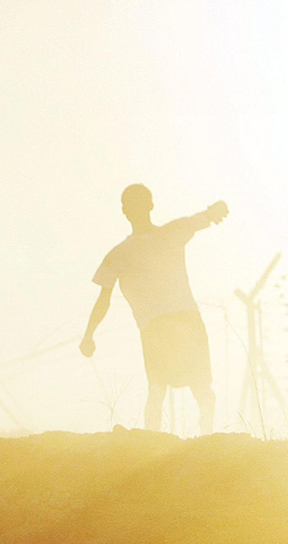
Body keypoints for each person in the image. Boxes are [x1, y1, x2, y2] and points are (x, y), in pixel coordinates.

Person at [80, 185, 229, 434]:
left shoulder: (118, 254)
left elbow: (103, 299)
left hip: (157, 327)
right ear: (150, 205)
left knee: (158, 389)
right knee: (199, 388)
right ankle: (207, 440)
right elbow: (204, 217)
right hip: (183, 321)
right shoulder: (172, 232)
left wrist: (89, 335)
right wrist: (215, 211)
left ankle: (154, 443)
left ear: (125, 211)